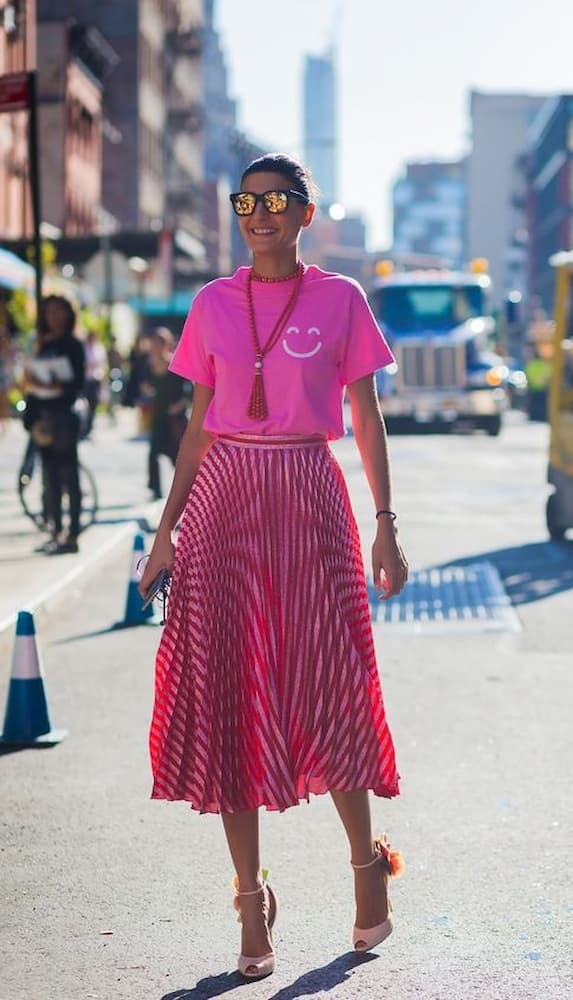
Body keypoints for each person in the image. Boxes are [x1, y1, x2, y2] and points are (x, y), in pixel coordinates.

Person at [139, 153, 408, 979]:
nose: (257, 214)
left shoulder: (340, 299)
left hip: (308, 492)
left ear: (303, 212)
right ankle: (250, 905)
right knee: (228, 695)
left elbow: (363, 419)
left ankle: (366, 869)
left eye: (275, 201)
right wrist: (164, 530)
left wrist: (385, 525)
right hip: (224, 502)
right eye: (245, 201)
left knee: (330, 680)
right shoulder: (211, 304)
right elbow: (196, 427)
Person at [23, 295, 85, 554]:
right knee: (49, 476)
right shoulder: (40, 344)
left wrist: (56, 385)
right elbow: (29, 379)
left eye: (59, 312)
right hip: (43, 415)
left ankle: (72, 534)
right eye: (50, 313)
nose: (54, 317)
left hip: (64, 415)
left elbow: (77, 383)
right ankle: (55, 529)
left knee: (69, 474)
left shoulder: (73, 345)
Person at [142, 327, 190, 499]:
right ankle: (155, 489)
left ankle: (184, 490)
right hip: (159, 415)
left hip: (175, 419)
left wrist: (180, 405)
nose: (155, 346)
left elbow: (189, 390)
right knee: (153, 453)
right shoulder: (150, 365)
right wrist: (146, 389)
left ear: (166, 344)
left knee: (175, 456)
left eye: (159, 343)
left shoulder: (175, 363)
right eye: (153, 343)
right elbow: (146, 386)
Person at [83, 331, 108, 435]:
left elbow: (103, 364)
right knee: (85, 404)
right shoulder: (84, 349)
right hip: (86, 379)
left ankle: (90, 427)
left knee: (93, 403)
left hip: (96, 379)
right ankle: (84, 426)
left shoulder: (100, 349)